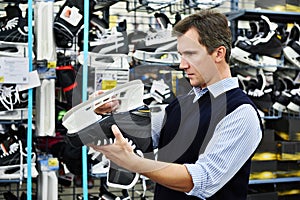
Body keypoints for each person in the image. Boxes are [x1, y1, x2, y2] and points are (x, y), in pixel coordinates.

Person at [91, 9, 263, 200]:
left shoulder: (240, 113)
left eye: (190, 54)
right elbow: (144, 130)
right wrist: (113, 109)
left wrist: (135, 164)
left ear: (218, 53)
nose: (182, 64)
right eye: (181, 55)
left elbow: (201, 180)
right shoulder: (181, 104)